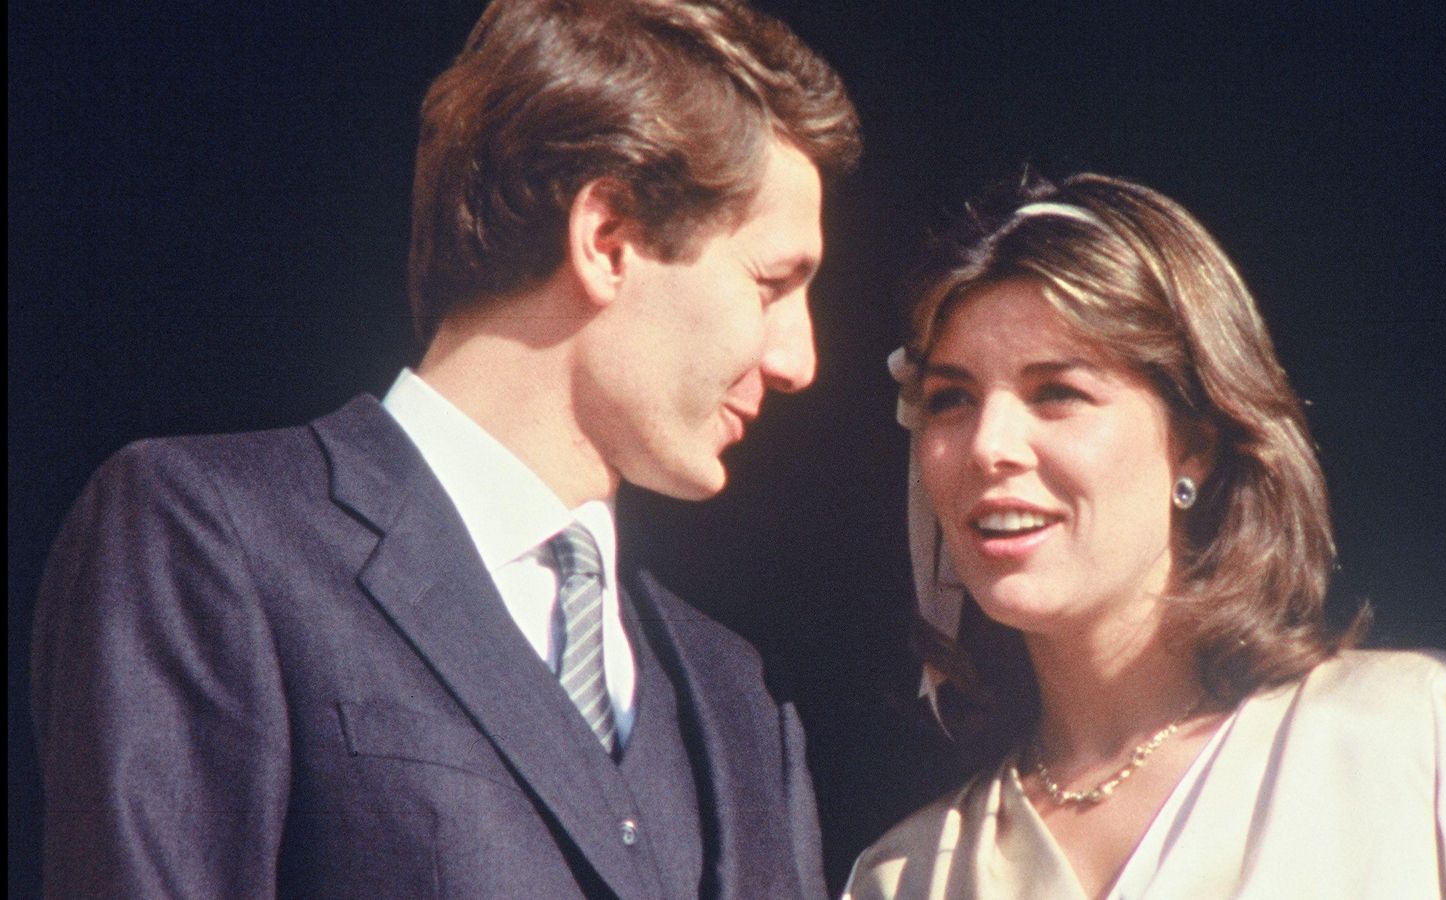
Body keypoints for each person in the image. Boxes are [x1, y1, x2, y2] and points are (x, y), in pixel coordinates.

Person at [30, 1, 859, 897]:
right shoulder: (213, 538)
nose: (798, 361)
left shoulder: (737, 703)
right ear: (607, 239)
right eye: (772, 283)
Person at [845, 172, 1446, 898]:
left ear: (1195, 444)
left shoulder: (1425, 738)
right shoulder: (911, 873)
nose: (987, 445)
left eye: (1058, 392)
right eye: (951, 399)